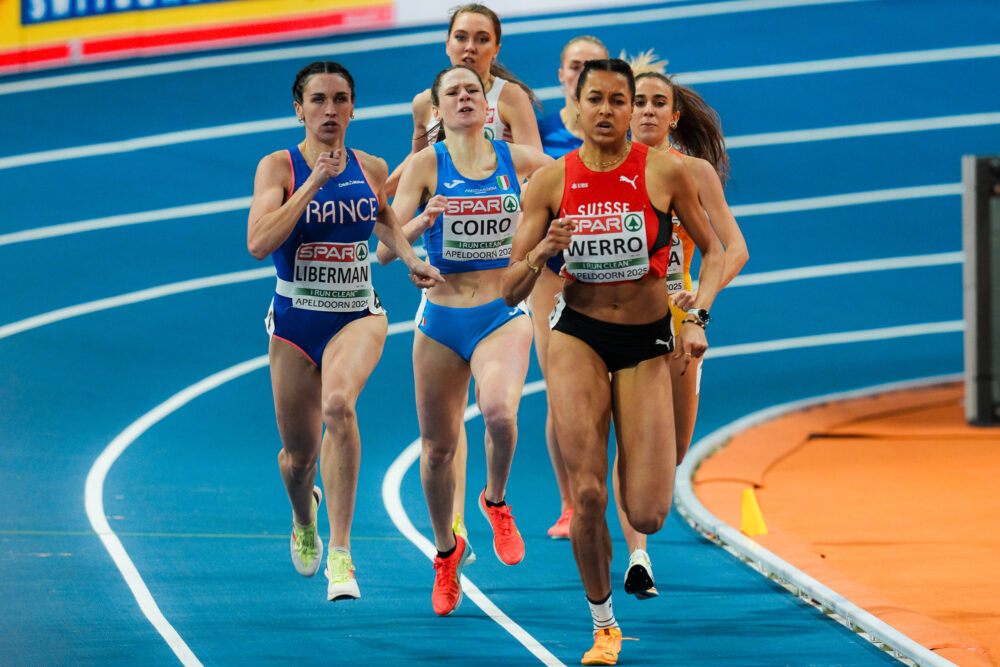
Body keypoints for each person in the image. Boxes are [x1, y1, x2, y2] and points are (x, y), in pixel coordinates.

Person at [501, 59, 725, 665]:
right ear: (576, 108)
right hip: (578, 334)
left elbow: (716, 251)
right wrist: (544, 249)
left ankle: (632, 548)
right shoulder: (550, 182)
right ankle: (603, 625)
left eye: (617, 101)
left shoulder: (664, 172)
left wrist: (698, 314)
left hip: (648, 338)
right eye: (593, 99)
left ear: (632, 109)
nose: (606, 111)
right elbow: (509, 289)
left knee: (647, 510)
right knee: (591, 494)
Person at [246, 61, 443, 602]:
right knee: (298, 457)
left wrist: (410, 256)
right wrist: (313, 182)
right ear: (300, 109)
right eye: (318, 100)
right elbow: (259, 243)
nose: (329, 110)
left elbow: (382, 216)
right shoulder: (278, 167)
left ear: (354, 108)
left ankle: (341, 550)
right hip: (293, 323)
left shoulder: (373, 166)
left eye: (340, 100)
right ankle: (302, 515)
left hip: (358, 312)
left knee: (339, 404)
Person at [377, 64, 552, 617]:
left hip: (501, 311)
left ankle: (495, 501)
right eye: (452, 93)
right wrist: (419, 226)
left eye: (472, 90)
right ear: (438, 110)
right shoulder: (426, 166)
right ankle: (446, 553)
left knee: (500, 413)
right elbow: (384, 249)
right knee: (438, 450)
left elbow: (579, 180)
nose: (464, 98)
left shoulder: (517, 160)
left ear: (487, 103)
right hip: (440, 319)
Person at [613, 64, 749, 599]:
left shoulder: (692, 172)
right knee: (633, 440)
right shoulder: (603, 169)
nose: (645, 111)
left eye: (655, 103)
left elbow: (733, 249)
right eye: (636, 101)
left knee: (667, 457)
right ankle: (637, 557)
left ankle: (642, 537)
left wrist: (700, 307)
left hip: (679, 326)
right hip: (623, 324)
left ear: (673, 116)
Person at [533, 35, 610, 540]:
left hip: (606, 276)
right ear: (562, 75)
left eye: (592, 66)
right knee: (560, 394)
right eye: (574, 66)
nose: (582, 73)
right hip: (551, 273)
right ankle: (569, 502)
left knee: (610, 390)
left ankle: (604, 494)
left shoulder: (614, 131)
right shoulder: (537, 131)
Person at [385, 3, 542, 197]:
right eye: (460, 37)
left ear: (496, 50)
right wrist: (377, 196)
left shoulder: (510, 96)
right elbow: (417, 160)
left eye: (482, 39)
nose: (470, 47)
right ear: (447, 45)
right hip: (440, 221)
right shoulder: (424, 102)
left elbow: (539, 171)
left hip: (499, 216)